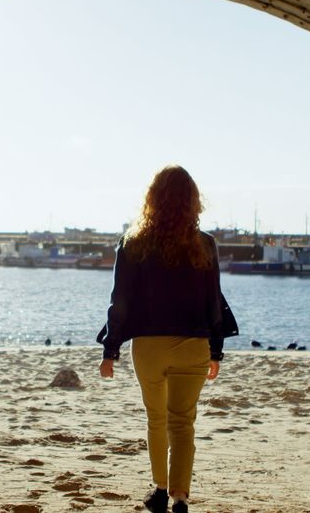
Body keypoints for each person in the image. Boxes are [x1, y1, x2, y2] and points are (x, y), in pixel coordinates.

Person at [97, 165, 239, 513]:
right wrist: (217, 350)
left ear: (152, 199)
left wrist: (110, 351)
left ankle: (159, 490)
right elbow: (213, 299)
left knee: (156, 419)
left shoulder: (132, 242)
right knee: (183, 421)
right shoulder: (205, 244)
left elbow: (121, 300)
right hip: (193, 344)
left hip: (148, 346)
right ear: (193, 202)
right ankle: (180, 497)